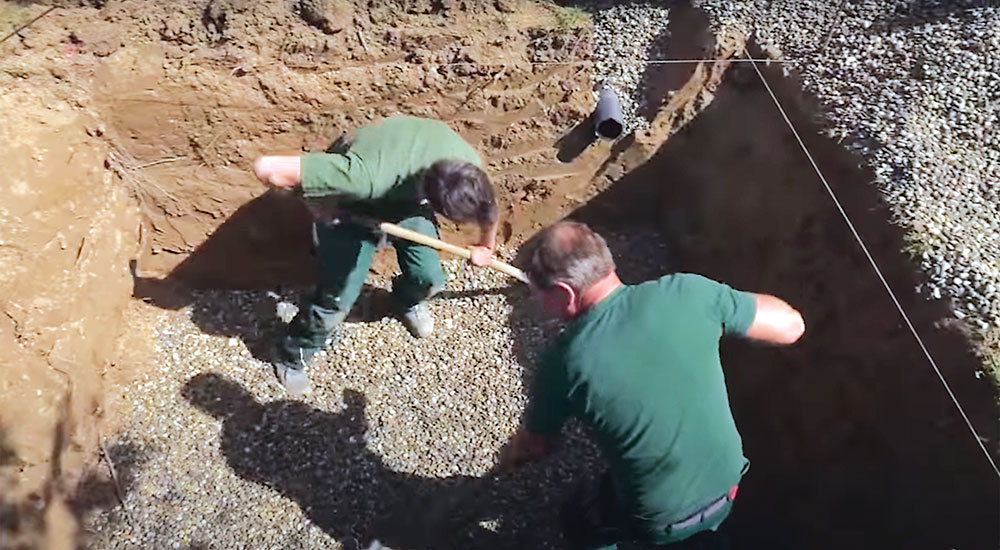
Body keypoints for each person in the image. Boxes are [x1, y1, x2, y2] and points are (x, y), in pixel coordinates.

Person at [500, 221, 805, 549]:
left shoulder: (563, 363)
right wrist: (722, 309)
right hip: (728, 487)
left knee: (580, 520)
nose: (538, 305)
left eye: (538, 295)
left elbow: (537, 445)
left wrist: (511, 456)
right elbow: (791, 326)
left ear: (564, 293)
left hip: (659, 520)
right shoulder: (689, 292)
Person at [253, 116, 499, 395]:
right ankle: (291, 353)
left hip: (404, 200)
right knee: (336, 300)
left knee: (428, 278)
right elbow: (266, 168)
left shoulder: (468, 172)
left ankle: (404, 301)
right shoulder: (363, 176)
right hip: (350, 204)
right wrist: (318, 207)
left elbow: (489, 210)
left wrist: (485, 247)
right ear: (432, 195)